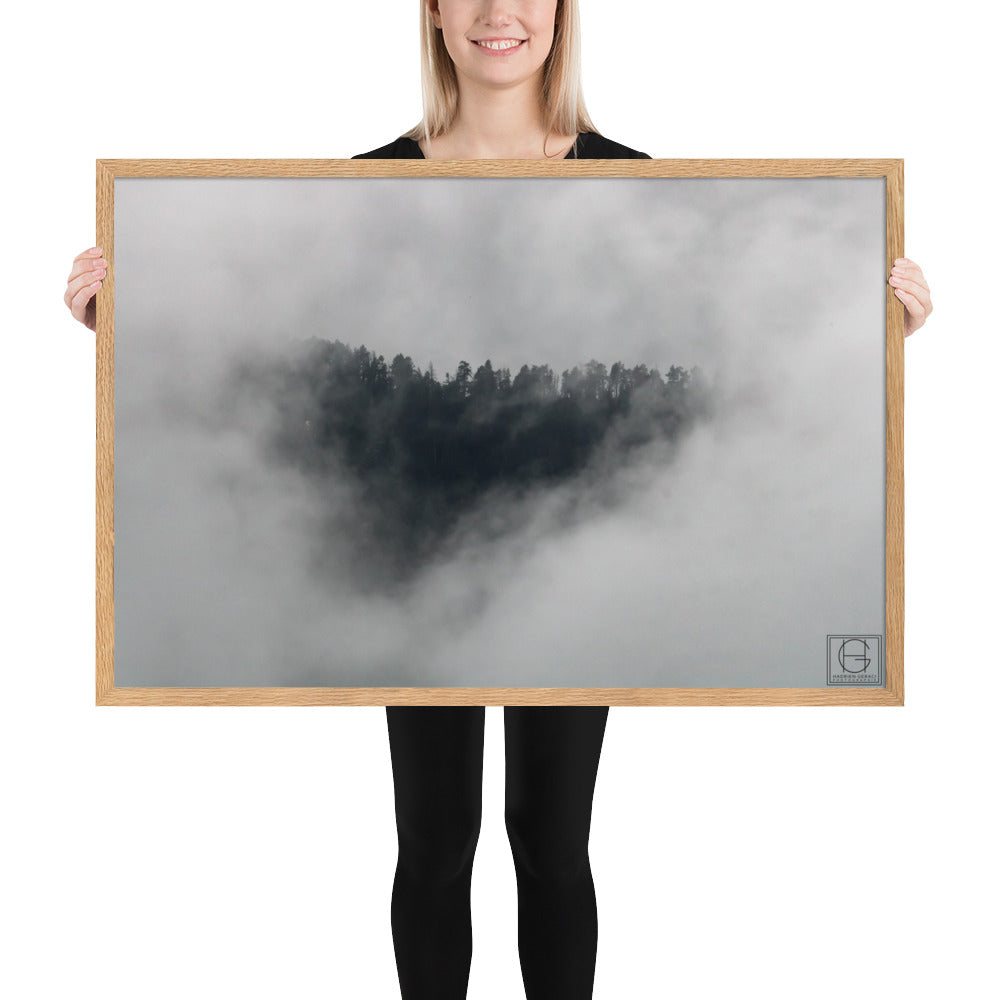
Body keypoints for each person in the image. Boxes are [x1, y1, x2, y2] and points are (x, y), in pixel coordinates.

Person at [63, 2, 934, 998]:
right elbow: (267, 368)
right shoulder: (358, 191)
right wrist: (123, 327)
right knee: (434, 841)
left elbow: (739, 367)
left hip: (589, 537)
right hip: (408, 543)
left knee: (552, 841)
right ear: (430, 14)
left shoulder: (638, 187)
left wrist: (874, 340)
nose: (496, 13)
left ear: (563, 16)